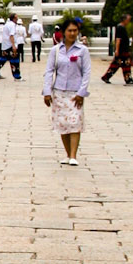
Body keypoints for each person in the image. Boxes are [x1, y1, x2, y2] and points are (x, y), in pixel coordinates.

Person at [45, 16, 91, 163]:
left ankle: (73, 155)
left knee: (75, 122)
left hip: (75, 92)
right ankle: (67, 154)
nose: (72, 33)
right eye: (69, 30)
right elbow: (49, 71)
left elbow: (87, 72)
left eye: (75, 31)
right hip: (59, 91)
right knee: (63, 124)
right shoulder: (56, 51)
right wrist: (47, 92)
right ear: (64, 32)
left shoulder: (82, 51)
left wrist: (81, 92)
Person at [103, 12, 133, 84]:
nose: (128, 21)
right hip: (122, 50)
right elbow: (118, 39)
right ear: (124, 20)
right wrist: (117, 50)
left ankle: (107, 76)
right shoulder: (120, 28)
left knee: (116, 64)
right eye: (128, 19)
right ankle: (127, 78)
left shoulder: (122, 27)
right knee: (125, 64)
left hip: (123, 49)